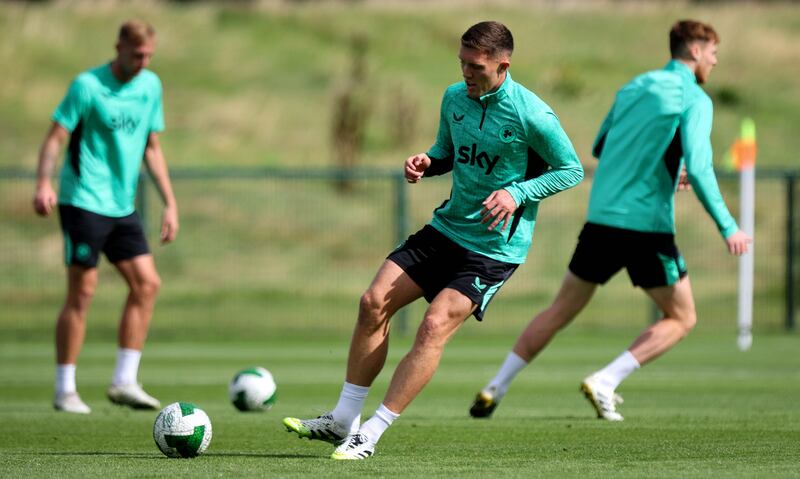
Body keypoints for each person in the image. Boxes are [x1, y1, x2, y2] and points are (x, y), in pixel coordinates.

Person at [283, 21, 584, 460]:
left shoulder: (532, 114)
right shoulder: (453, 98)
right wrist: (428, 161)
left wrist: (517, 192)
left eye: (475, 66)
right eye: (461, 62)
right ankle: (342, 419)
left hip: (494, 249)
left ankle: (371, 433)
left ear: (503, 65)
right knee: (372, 303)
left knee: (434, 324)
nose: (465, 72)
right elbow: (447, 151)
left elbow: (571, 169)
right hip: (446, 229)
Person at [469, 19, 752, 422]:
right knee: (683, 317)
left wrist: (666, 165)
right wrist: (728, 226)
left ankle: (496, 384)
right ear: (695, 51)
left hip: (601, 219)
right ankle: (606, 380)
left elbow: (602, 145)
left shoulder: (633, 87)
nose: (716, 61)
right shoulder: (694, 97)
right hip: (646, 227)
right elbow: (702, 167)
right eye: (713, 53)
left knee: (560, 310)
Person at [32, 20, 178, 414]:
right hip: (82, 200)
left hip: (121, 205)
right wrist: (44, 181)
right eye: (136, 55)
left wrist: (170, 202)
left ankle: (124, 381)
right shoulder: (87, 86)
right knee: (82, 292)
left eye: (149, 55)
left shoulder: (150, 86)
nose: (143, 62)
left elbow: (152, 145)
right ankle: (65, 388)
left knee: (147, 285)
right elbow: (55, 138)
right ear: (118, 48)